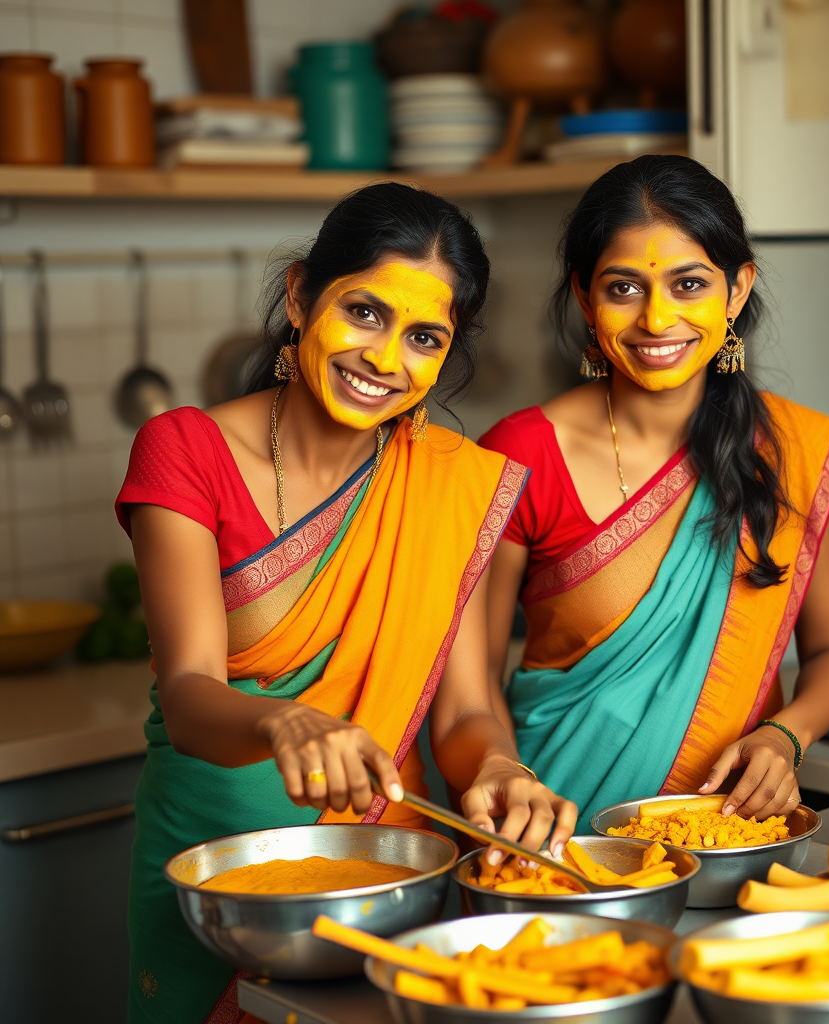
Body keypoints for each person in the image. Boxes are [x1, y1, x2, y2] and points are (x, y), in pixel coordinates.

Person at [115, 183, 577, 1024]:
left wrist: (503, 768)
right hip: (218, 875)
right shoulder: (185, 449)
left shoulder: (446, 481)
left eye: (424, 338)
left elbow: (467, 710)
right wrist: (284, 722)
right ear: (299, 296)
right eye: (364, 312)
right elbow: (187, 694)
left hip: (382, 868)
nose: (385, 358)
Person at [481, 155, 829, 832]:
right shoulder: (522, 454)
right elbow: (467, 683)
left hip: (729, 828)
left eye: (689, 285)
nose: (658, 319)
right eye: (623, 289)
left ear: (737, 290)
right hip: (558, 831)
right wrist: (503, 774)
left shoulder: (789, 452)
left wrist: (786, 736)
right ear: (583, 298)